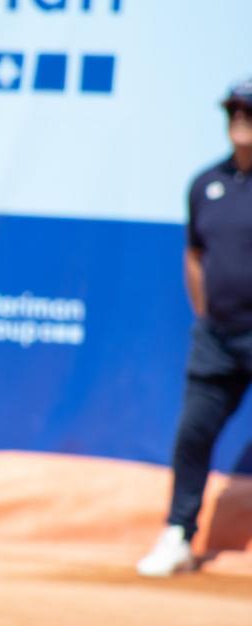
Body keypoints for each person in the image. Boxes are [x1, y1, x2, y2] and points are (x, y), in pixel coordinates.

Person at [137, 77, 252, 577]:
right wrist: (208, 314)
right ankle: (179, 535)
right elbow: (195, 254)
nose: (238, 120)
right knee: (192, 434)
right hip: (218, 339)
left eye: (247, 110)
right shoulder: (205, 184)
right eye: (232, 111)